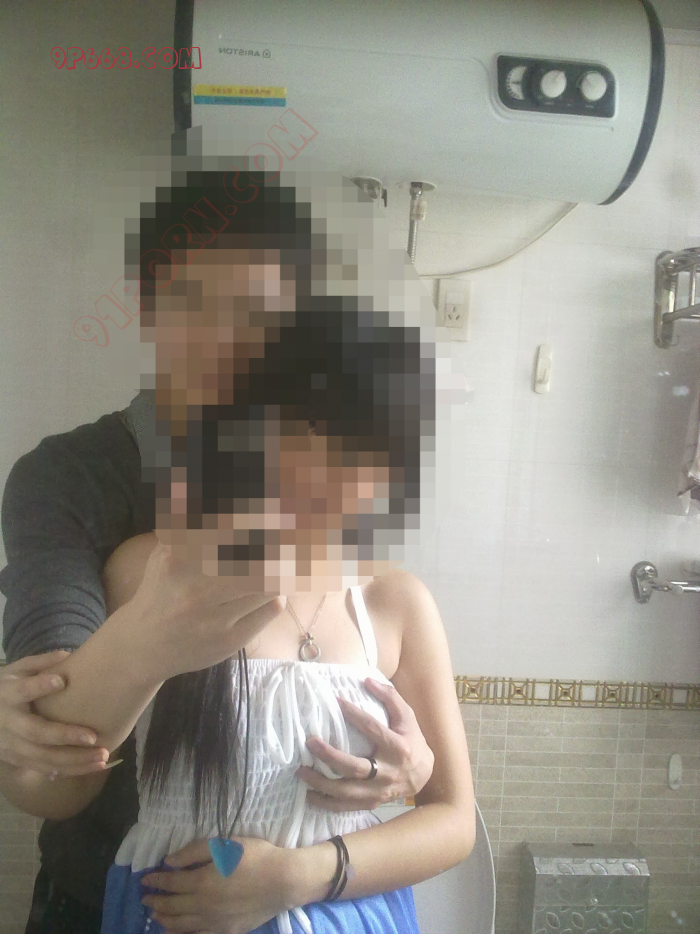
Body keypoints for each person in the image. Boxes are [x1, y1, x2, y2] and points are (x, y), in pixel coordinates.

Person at [0, 152, 474, 934]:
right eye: (198, 305)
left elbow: (446, 804)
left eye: (261, 316)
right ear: (149, 306)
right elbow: (45, 771)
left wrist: (403, 776)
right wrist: (146, 641)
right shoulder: (82, 489)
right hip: (113, 899)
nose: (229, 342)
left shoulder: (370, 578)